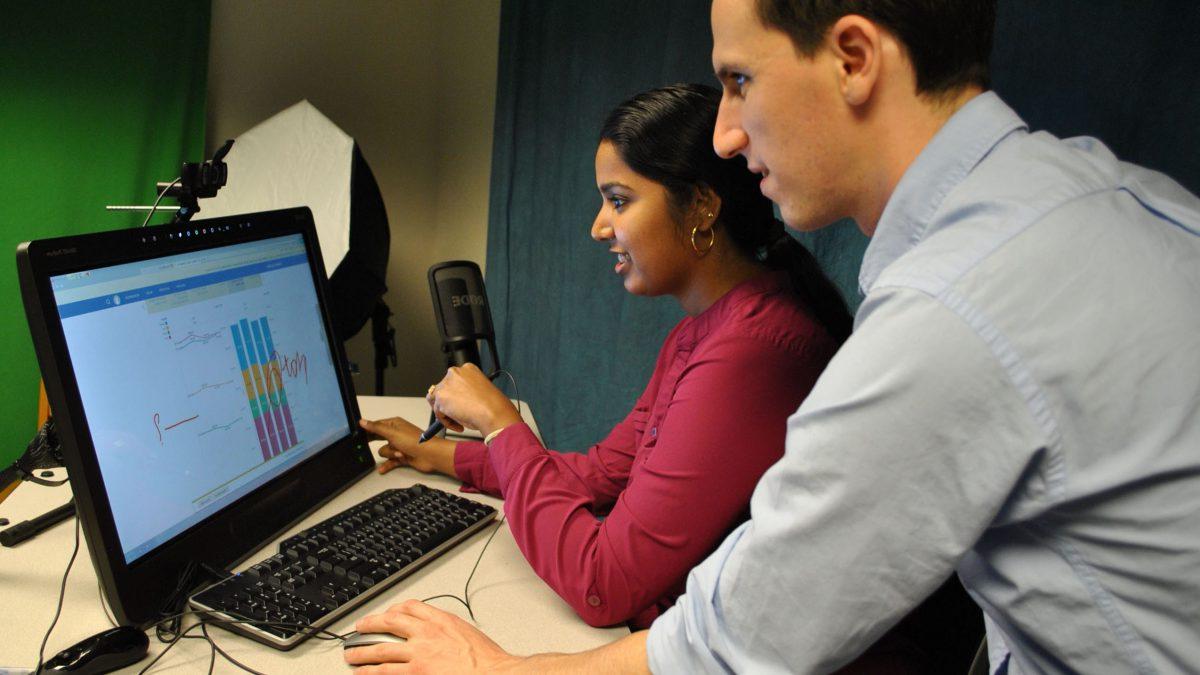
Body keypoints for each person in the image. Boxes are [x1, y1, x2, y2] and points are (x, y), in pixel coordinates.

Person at [346, 1, 1200, 673]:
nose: (725, 131)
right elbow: (611, 472)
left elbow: (726, 641)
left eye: (740, 80)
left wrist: (495, 666)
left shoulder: (946, 311)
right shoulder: (1094, 187)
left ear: (853, 58)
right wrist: (453, 455)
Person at [359, 84, 849, 630]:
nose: (598, 226)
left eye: (618, 200)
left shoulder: (752, 352)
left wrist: (500, 424)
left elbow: (602, 584)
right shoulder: (703, 333)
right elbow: (601, 475)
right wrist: (443, 455)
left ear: (704, 206)